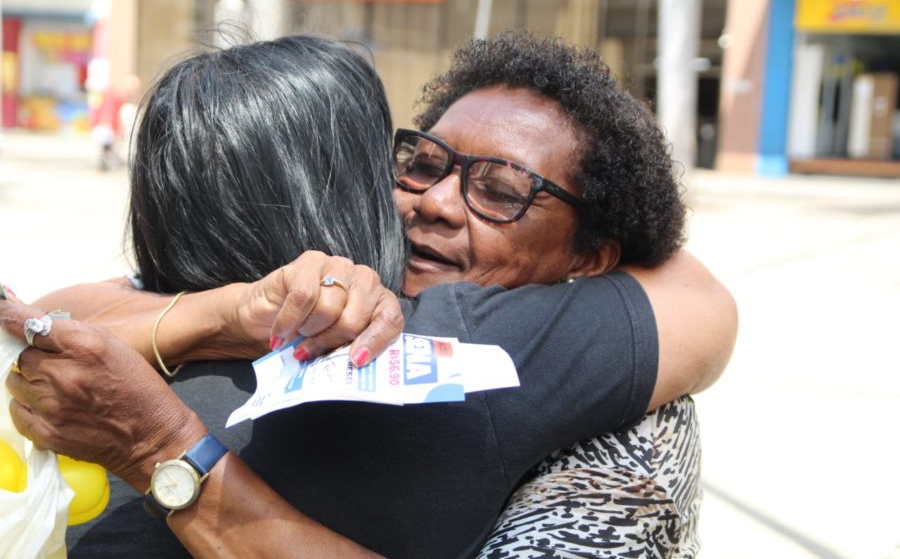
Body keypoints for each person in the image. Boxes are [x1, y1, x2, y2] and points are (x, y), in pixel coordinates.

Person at [4, 33, 735, 557]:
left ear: (594, 259)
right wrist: (234, 314)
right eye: (425, 162)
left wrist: (168, 442)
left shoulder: (476, 345)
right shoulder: (372, 322)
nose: (436, 201)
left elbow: (55, 313)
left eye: (502, 191)